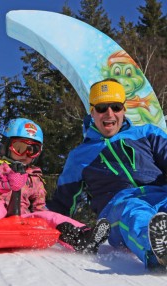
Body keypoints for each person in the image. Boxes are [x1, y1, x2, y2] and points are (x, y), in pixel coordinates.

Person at [48, 78, 167, 270]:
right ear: (92, 111)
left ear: (124, 110)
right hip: (117, 208)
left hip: (160, 194)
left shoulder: (147, 133)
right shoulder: (80, 156)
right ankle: (157, 252)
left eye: (116, 107)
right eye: (102, 108)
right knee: (134, 212)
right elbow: (62, 203)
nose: (109, 114)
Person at [0, 118, 110, 257]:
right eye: (20, 148)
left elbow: (39, 206)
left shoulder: (34, 175)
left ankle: (83, 237)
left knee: (49, 216)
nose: (26, 154)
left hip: (21, 218)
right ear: (6, 145)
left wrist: (44, 217)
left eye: (33, 150)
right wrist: (7, 181)